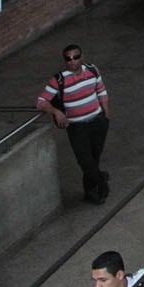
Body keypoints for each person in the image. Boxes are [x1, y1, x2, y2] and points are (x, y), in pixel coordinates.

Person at [38, 44, 110, 205]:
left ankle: (90, 191)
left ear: (81, 56)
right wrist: (56, 112)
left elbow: (101, 91)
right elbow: (41, 101)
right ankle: (101, 182)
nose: (72, 61)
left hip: (97, 121)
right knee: (85, 160)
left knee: (94, 157)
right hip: (77, 127)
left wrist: (106, 116)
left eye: (75, 57)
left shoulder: (92, 70)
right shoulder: (59, 80)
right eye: (68, 59)